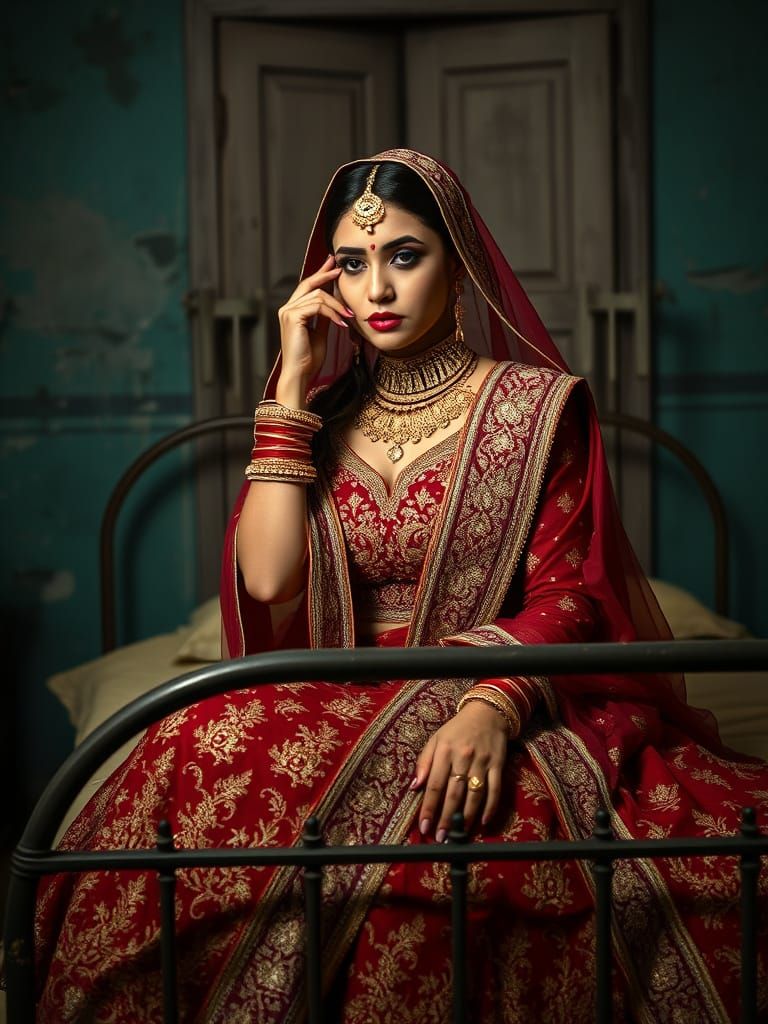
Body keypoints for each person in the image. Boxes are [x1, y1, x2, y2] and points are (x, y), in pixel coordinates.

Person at [35, 150, 766, 1022]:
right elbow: (268, 582)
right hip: (336, 696)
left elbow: (570, 595)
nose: (376, 287)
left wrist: (491, 706)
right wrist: (293, 387)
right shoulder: (318, 416)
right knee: (201, 733)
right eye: (352, 263)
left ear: (457, 268)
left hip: (501, 692)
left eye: (405, 256)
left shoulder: (537, 409)